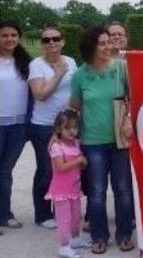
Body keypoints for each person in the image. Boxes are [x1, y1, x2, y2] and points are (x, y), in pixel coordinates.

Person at [69, 26, 134, 254]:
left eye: (109, 42)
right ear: (90, 47)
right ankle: (99, 235)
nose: (109, 46)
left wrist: (128, 117)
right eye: (102, 43)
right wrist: (60, 139)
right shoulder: (79, 75)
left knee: (123, 189)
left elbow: (134, 98)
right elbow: (74, 108)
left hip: (120, 140)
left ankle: (125, 233)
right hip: (92, 141)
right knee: (96, 191)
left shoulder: (122, 69)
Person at [28, 26, 78, 230]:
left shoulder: (71, 61)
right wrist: (58, 74)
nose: (51, 42)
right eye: (46, 40)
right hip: (44, 126)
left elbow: (75, 91)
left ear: (63, 41)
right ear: (42, 44)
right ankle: (42, 213)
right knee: (47, 169)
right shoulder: (36, 65)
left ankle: (61, 208)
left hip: (67, 127)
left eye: (55, 38)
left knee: (66, 170)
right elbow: (40, 94)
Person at [0, 20, 31, 231]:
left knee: (5, 171)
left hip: (18, 126)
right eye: (5, 35)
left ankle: (5, 214)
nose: (9, 39)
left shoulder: (26, 62)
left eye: (13, 35)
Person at [46, 110, 88, 258]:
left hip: (74, 188)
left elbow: (79, 165)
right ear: (58, 129)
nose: (72, 131)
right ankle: (63, 247)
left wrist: (82, 164)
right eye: (67, 127)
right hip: (61, 191)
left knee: (76, 217)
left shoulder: (76, 143)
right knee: (64, 220)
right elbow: (61, 167)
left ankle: (75, 239)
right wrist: (79, 160)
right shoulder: (56, 147)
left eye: (75, 127)